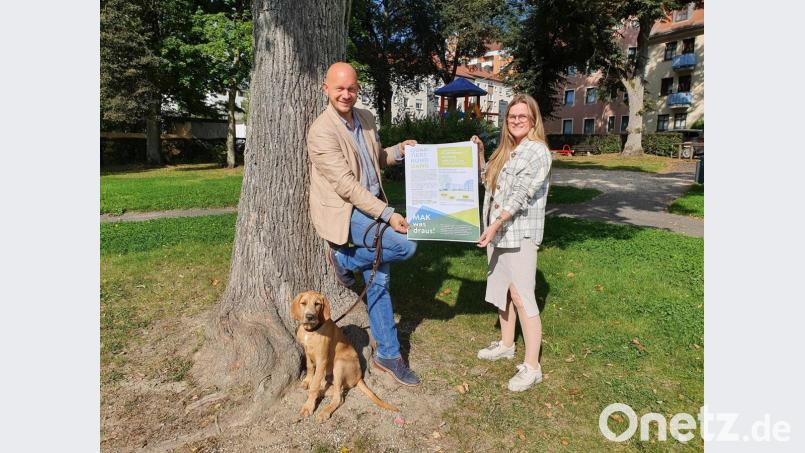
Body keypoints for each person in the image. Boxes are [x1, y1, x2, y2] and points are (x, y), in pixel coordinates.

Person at [306, 62, 421, 386]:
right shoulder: (321, 131)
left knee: (379, 278)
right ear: (326, 89)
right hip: (347, 211)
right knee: (405, 245)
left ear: (358, 89)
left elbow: (377, 158)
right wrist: (387, 214)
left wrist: (400, 151)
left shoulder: (366, 118)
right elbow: (347, 186)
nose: (346, 94)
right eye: (339, 88)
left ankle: (388, 355)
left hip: (371, 205)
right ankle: (343, 258)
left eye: (351, 88)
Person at [471, 93, 552, 392]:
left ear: (533, 120)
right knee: (503, 292)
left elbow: (520, 195)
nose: (516, 121)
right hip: (498, 232)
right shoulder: (506, 150)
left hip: (519, 233)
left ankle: (533, 367)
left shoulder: (537, 152)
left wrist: (494, 225)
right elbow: (487, 181)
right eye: (512, 116)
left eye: (522, 116)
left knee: (521, 296)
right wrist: (481, 153)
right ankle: (507, 344)